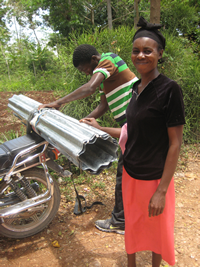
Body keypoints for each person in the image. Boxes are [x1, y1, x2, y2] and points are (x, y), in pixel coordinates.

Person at [81, 17, 185, 267]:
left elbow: (175, 143)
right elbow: (130, 130)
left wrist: (161, 190)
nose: (141, 56)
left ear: (159, 54)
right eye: (136, 51)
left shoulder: (170, 90)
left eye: (147, 51)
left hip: (154, 177)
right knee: (134, 226)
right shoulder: (135, 88)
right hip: (130, 173)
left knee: (157, 229)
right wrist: (100, 127)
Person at [38, 44, 138, 234]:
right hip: (129, 123)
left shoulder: (108, 59)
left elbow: (90, 87)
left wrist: (58, 102)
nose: (86, 74)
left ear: (94, 59)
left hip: (134, 121)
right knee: (131, 171)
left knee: (124, 175)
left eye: (85, 69)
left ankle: (120, 221)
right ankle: (135, 212)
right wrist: (82, 123)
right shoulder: (104, 79)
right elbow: (103, 106)